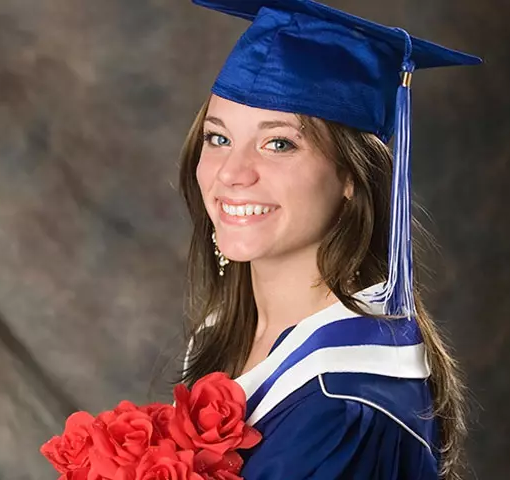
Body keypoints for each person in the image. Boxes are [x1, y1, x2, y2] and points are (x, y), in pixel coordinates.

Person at [178, 0, 481, 478]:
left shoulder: (346, 403)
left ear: (351, 176)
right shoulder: (222, 336)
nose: (232, 174)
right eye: (218, 138)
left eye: (278, 143)